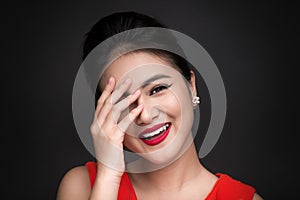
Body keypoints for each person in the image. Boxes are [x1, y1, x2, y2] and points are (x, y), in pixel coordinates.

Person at [57, 12, 263, 200]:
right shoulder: (82, 187)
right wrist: (108, 178)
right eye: (123, 101)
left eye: (157, 89)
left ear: (191, 85)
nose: (145, 116)